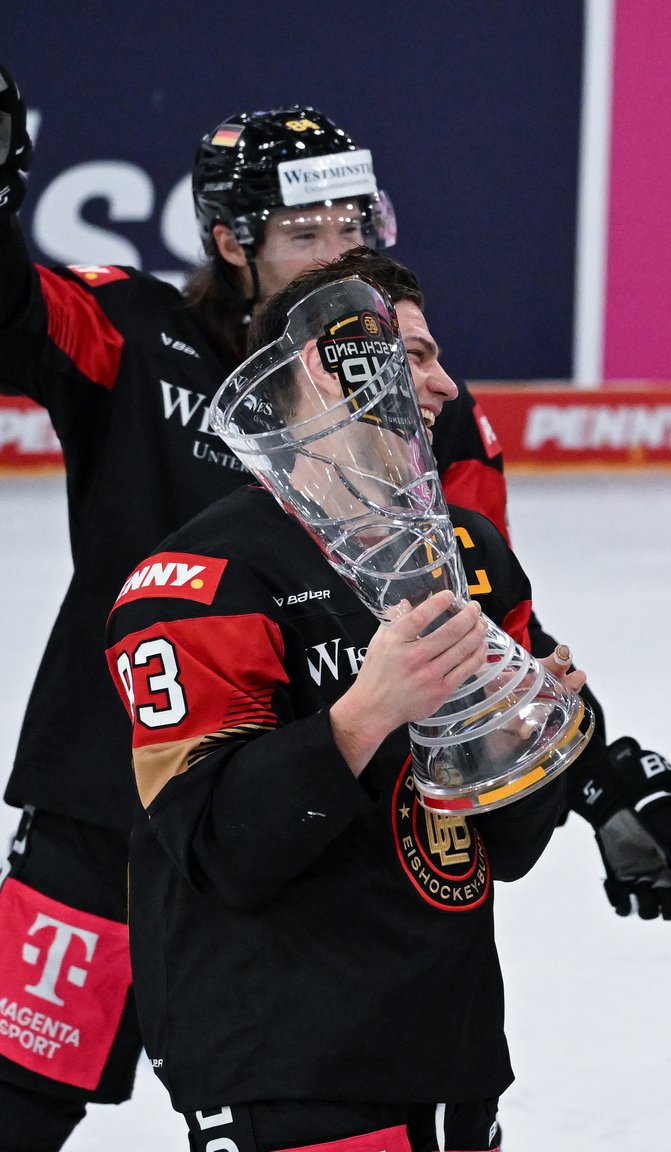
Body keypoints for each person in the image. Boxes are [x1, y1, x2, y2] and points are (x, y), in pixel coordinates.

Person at [103, 250, 671, 1152]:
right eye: (415, 356)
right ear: (325, 361)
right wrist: (363, 714)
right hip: (289, 1064)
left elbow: (497, 846)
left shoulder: (466, 554)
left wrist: (553, 745)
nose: (446, 385)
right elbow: (219, 848)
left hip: (446, 1047)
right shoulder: (198, 585)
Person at [0, 71, 504, 1148]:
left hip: (316, 828)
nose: (337, 250)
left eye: (352, 222)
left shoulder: (415, 396)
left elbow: (483, 600)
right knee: (15, 1096)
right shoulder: (137, 330)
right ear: (233, 242)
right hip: (108, 798)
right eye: (304, 228)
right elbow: (10, 317)